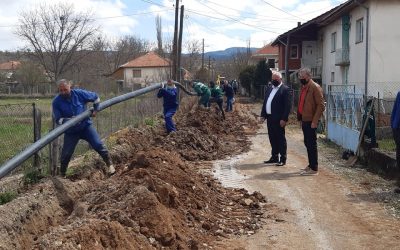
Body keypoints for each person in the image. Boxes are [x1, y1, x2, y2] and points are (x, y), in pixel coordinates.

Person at [52, 79, 115, 177]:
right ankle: (62, 175)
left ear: (70, 87)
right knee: (66, 154)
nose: (63, 92)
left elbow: (96, 97)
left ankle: (110, 165)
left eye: (65, 90)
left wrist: (96, 109)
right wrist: (69, 121)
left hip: (85, 126)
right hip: (71, 132)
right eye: (61, 90)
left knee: (98, 144)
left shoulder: (79, 94)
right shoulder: (56, 102)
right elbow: (58, 120)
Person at [297, 68, 325, 176]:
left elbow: (321, 105)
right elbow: (302, 103)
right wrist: (300, 118)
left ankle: (314, 168)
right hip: (304, 119)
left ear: (308, 76)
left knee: (312, 144)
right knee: (307, 143)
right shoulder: (304, 87)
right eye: (300, 76)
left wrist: (315, 121)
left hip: (311, 121)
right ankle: (310, 164)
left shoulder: (315, 87)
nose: (301, 78)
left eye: (302, 77)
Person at [260, 71, 290, 166]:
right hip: (270, 118)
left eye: (276, 79)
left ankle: (283, 158)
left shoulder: (285, 89)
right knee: (272, 138)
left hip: (279, 119)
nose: (274, 80)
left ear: (280, 79)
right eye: (273, 79)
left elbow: (287, 106)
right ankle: (274, 157)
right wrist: (263, 115)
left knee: (280, 139)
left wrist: (284, 119)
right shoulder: (269, 88)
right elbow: (266, 102)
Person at [390, 91, 400, 193]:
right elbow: (395, 111)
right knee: (399, 157)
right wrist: (393, 125)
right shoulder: (399, 94)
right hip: (397, 130)